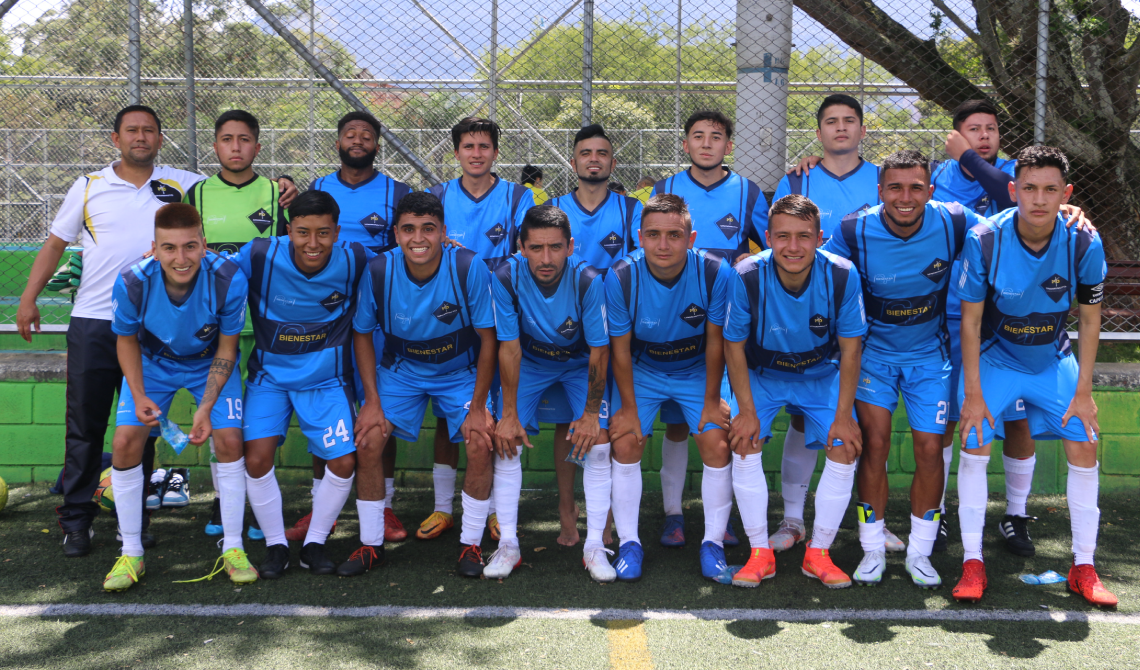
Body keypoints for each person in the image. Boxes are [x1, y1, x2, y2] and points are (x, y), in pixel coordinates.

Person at [16, 105, 286, 558]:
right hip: (95, 317)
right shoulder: (88, 186)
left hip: (156, 327)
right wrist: (29, 297)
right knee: (85, 424)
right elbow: (56, 243)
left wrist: (284, 190)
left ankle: (132, 526)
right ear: (115, 138)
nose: (140, 137)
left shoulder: (185, 184)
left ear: (161, 138)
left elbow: (236, 186)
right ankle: (77, 520)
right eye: (131, 131)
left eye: (149, 131)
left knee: (140, 428)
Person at [954, 145, 1115, 607]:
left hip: (1052, 360)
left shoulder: (1083, 240)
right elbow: (969, 321)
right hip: (998, 357)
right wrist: (973, 394)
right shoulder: (986, 238)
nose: (1038, 199)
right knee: (974, 437)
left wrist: (1084, 390)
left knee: (1085, 440)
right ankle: (972, 562)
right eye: (1028, 188)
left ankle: (1083, 565)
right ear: (1012, 191)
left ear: (1066, 193)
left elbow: (1088, 318)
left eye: (1050, 190)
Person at [822, 150, 987, 588]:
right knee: (874, 446)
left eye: (916, 187)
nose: (906, 196)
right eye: (895, 187)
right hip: (873, 355)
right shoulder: (854, 229)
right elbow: (819, 270)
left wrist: (1067, 213)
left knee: (931, 452)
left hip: (930, 357)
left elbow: (1008, 229)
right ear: (880, 192)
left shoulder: (953, 221)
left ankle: (920, 553)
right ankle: (872, 549)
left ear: (931, 191)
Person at [103, 203, 251, 591]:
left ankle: (233, 548)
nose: (180, 258)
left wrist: (205, 406)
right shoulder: (133, 280)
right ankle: (131, 552)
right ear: (154, 247)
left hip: (209, 363)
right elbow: (125, 341)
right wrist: (137, 394)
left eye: (190, 247)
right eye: (169, 248)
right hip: (153, 363)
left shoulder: (228, 278)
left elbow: (227, 348)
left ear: (204, 244)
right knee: (124, 442)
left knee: (231, 440)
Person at [352, 192, 498, 578]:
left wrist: (479, 407)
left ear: (443, 232)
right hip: (403, 368)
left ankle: (470, 543)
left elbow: (488, 340)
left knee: (481, 440)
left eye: (429, 229)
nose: (419, 238)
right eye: (410, 229)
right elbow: (362, 335)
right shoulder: (379, 269)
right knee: (368, 438)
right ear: (397, 233)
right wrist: (370, 400)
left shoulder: (468, 266)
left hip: (459, 371)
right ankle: (370, 544)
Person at [724, 194, 866, 589]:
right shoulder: (747, 274)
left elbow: (852, 348)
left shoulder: (841, 274)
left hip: (821, 375)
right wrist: (747, 411)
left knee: (844, 444)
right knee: (745, 438)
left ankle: (818, 553)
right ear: (767, 236)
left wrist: (843, 416)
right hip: (763, 374)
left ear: (820, 237)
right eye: (782, 236)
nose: (793, 246)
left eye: (803, 236)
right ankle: (759, 554)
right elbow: (732, 346)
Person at [771, 95, 892, 554]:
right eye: (830, 122)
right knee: (804, 418)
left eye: (849, 121)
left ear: (863, 130)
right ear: (818, 132)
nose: (840, 128)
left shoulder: (885, 181)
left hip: (873, 315)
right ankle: (793, 519)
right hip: (809, 320)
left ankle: (871, 522)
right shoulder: (797, 178)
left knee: (866, 425)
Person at [232, 190, 373, 579]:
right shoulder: (259, 254)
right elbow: (213, 271)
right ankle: (276, 545)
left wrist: (442, 249)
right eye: (303, 232)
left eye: (323, 233)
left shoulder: (356, 259)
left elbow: (400, 267)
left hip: (326, 381)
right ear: (289, 229)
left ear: (337, 232)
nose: (313, 243)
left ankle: (314, 543)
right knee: (256, 458)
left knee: (344, 461)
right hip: (270, 378)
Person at [649, 109, 769, 547]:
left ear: (728, 146)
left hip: (725, 325)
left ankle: (725, 518)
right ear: (685, 144)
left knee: (721, 423)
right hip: (669, 321)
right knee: (679, 425)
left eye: (715, 137)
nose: (705, 144)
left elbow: (773, 248)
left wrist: (747, 260)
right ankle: (673, 514)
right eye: (697, 136)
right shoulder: (663, 191)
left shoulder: (748, 192)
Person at [605, 194, 737, 582]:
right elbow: (621, 349)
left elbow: (717, 343)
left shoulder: (715, 273)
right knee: (626, 439)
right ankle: (630, 543)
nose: (664, 245)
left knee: (715, 441)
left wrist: (712, 401)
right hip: (643, 371)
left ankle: (712, 543)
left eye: (674, 235)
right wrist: (628, 409)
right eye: (654, 235)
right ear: (639, 237)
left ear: (691, 237)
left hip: (696, 370)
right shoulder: (621, 276)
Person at [298, 111, 415, 545]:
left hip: (375, 317)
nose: (359, 140)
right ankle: (318, 509)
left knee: (376, 406)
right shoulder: (316, 191)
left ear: (377, 145)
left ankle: (383, 506)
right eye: (351, 134)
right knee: (320, 406)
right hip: (321, 317)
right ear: (338, 143)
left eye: (367, 135)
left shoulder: (397, 193)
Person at [418, 118, 533, 543]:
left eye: (484, 146)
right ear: (457, 153)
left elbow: (522, 252)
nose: (477, 153)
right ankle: (442, 508)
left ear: (496, 153)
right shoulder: (438, 196)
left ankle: (496, 511)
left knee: (499, 408)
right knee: (451, 416)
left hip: (501, 310)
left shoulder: (519, 196)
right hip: (448, 313)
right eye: (468, 146)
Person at [183, 108, 289, 541]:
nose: (236, 147)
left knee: (258, 419)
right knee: (224, 417)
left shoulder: (277, 194)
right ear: (216, 146)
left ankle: (258, 496)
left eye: (244, 140)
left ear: (257, 147)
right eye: (227, 139)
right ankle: (226, 501)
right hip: (214, 326)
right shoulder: (197, 196)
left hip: (265, 322)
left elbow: (288, 258)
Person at [492, 205, 612, 581]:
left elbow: (599, 351)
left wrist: (591, 415)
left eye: (555, 248)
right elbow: (508, 347)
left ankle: (594, 546)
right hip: (531, 362)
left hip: (578, 364)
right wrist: (509, 414)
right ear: (521, 247)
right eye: (537, 247)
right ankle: (508, 545)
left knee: (600, 441)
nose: (546, 258)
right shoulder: (506, 276)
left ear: (571, 246)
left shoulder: (588, 281)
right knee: (505, 437)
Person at [543, 124, 640, 546]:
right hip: (561, 334)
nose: (594, 159)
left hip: (614, 335)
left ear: (613, 163)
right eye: (586, 153)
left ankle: (607, 522)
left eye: (602, 153)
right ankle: (568, 514)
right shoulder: (553, 209)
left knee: (607, 427)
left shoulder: (633, 210)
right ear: (574, 162)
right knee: (567, 424)